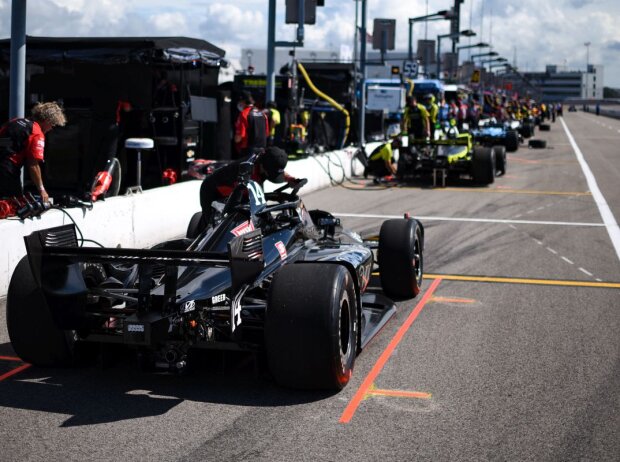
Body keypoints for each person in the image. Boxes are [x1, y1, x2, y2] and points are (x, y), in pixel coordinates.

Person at [199, 146, 297, 225]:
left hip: (237, 189)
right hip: (211, 190)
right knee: (213, 228)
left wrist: (289, 178)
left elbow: (275, 170)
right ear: (263, 165)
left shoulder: (265, 158)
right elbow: (257, 204)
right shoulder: (249, 171)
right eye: (270, 173)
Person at [0, 102, 66, 203]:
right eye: (52, 124)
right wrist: (42, 190)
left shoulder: (15, 121)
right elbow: (33, 164)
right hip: (7, 171)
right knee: (13, 205)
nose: (51, 128)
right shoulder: (36, 132)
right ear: (47, 121)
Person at [234, 91, 269, 157]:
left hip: (248, 151)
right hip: (261, 151)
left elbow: (238, 137)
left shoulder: (244, 114)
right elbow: (266, 134)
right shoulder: (263, 114)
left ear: (243, 102)